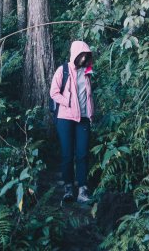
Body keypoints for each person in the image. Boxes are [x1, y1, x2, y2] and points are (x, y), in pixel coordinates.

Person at [49, 40, 94, 203]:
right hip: (65, 118)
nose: (83, 59)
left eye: (86, 56)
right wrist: (68, 102)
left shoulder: (87, 72)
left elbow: (88, 95)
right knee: (67, 154)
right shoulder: (63, 70)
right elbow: (53, 92)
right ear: (75, 54)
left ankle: (83, 189)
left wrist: (90, 114)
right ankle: (68, 188)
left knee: (82, 154)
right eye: (81, 55)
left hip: (83, 119)